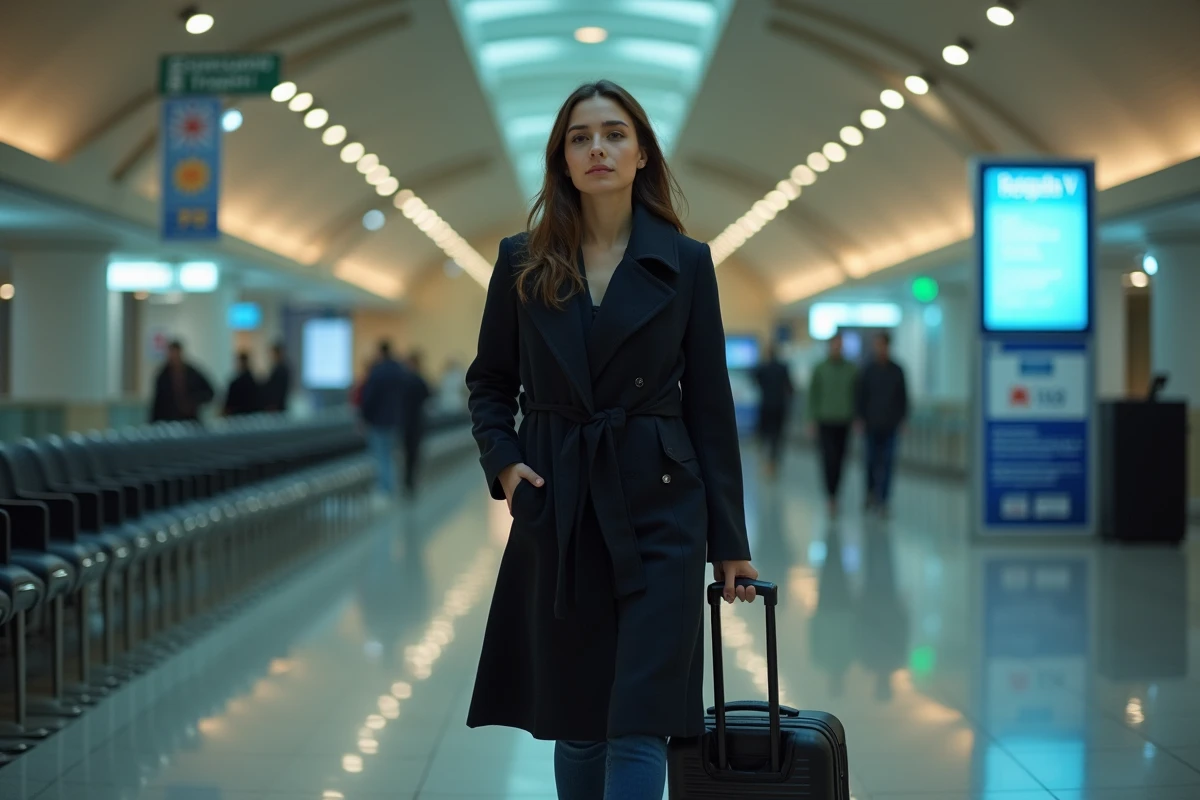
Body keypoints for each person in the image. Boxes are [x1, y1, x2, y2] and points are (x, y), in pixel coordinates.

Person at [464, 79, 759, 800]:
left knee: (639, 721)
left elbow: (711, 407)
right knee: (580, 721)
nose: (598, 147)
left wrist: (730, 542)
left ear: (642, 154)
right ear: (563, 160)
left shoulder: (686, 262)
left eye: (615, 133)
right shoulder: (521, 261)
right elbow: (490, 382)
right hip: (560, 505)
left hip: (663, 507)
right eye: (581, 137)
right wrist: (506, 466)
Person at [856, 332, 909, 515]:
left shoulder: (897, 370)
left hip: (890, 425)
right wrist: (860, 418)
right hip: (871, 424)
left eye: (882, 345)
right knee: (871, 462)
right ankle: (870, 493)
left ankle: (884, 499)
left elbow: (903, 397)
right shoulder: (868, 370)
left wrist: (903, 419)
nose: (879, 349)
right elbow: (861, 396)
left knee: (887, 463)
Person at [806, 332, 858, 516]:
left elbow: (857, 394)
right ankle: (830, 496)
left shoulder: (851, 369)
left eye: (840, 345)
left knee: (841, 459)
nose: (837, 348)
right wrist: (811, 418)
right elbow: (813, 394)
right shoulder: (820, 368)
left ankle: (836, 493)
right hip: (825, 419)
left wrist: (857, 417)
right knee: (828, 458)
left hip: (844, 420)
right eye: (834, 345)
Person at [359, 340, 412, 498]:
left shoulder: (377, 372)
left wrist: (365, 417)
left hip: (378, 420)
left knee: (380, 456)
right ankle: (393, 488)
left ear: (380, 352)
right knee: (391, 455)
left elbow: (369, 398)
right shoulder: (401, 371)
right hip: (397, 420)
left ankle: (384, 489)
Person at [753, 343, 794, 477]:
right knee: (777, 436)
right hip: (779, 406)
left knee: (764, 434)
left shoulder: (762, 368)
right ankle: (773, 463)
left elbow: (755, 381)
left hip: (765, 405)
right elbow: (790, 387)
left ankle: (764, 460)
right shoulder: (783, 368)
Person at [150, 340, 215, 423]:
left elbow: (209, 392)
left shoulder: (192, 373)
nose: (174, 357)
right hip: (169, 420)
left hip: (190, 420)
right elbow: (157, 403)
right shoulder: (163, 376)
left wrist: (193, 402)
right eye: (171, 354)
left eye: (176, 354)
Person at [400, 350, 431, 498]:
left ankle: (407, 482)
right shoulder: (420, 380)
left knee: (407, 453)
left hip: (405, 422)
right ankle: (411, 482)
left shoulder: (403, 380)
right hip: (417, 421)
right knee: (415, 453)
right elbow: (428, 396)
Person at [222, 351, 262, 416]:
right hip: (253, 416)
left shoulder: (236, 384)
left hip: (238, 417)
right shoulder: (255, 382)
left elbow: (229, 406)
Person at [261, 342, 292, 413]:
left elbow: (276, 389)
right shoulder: (280, 368)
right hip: (278, 404)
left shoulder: (281, 370)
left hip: (276, 405)